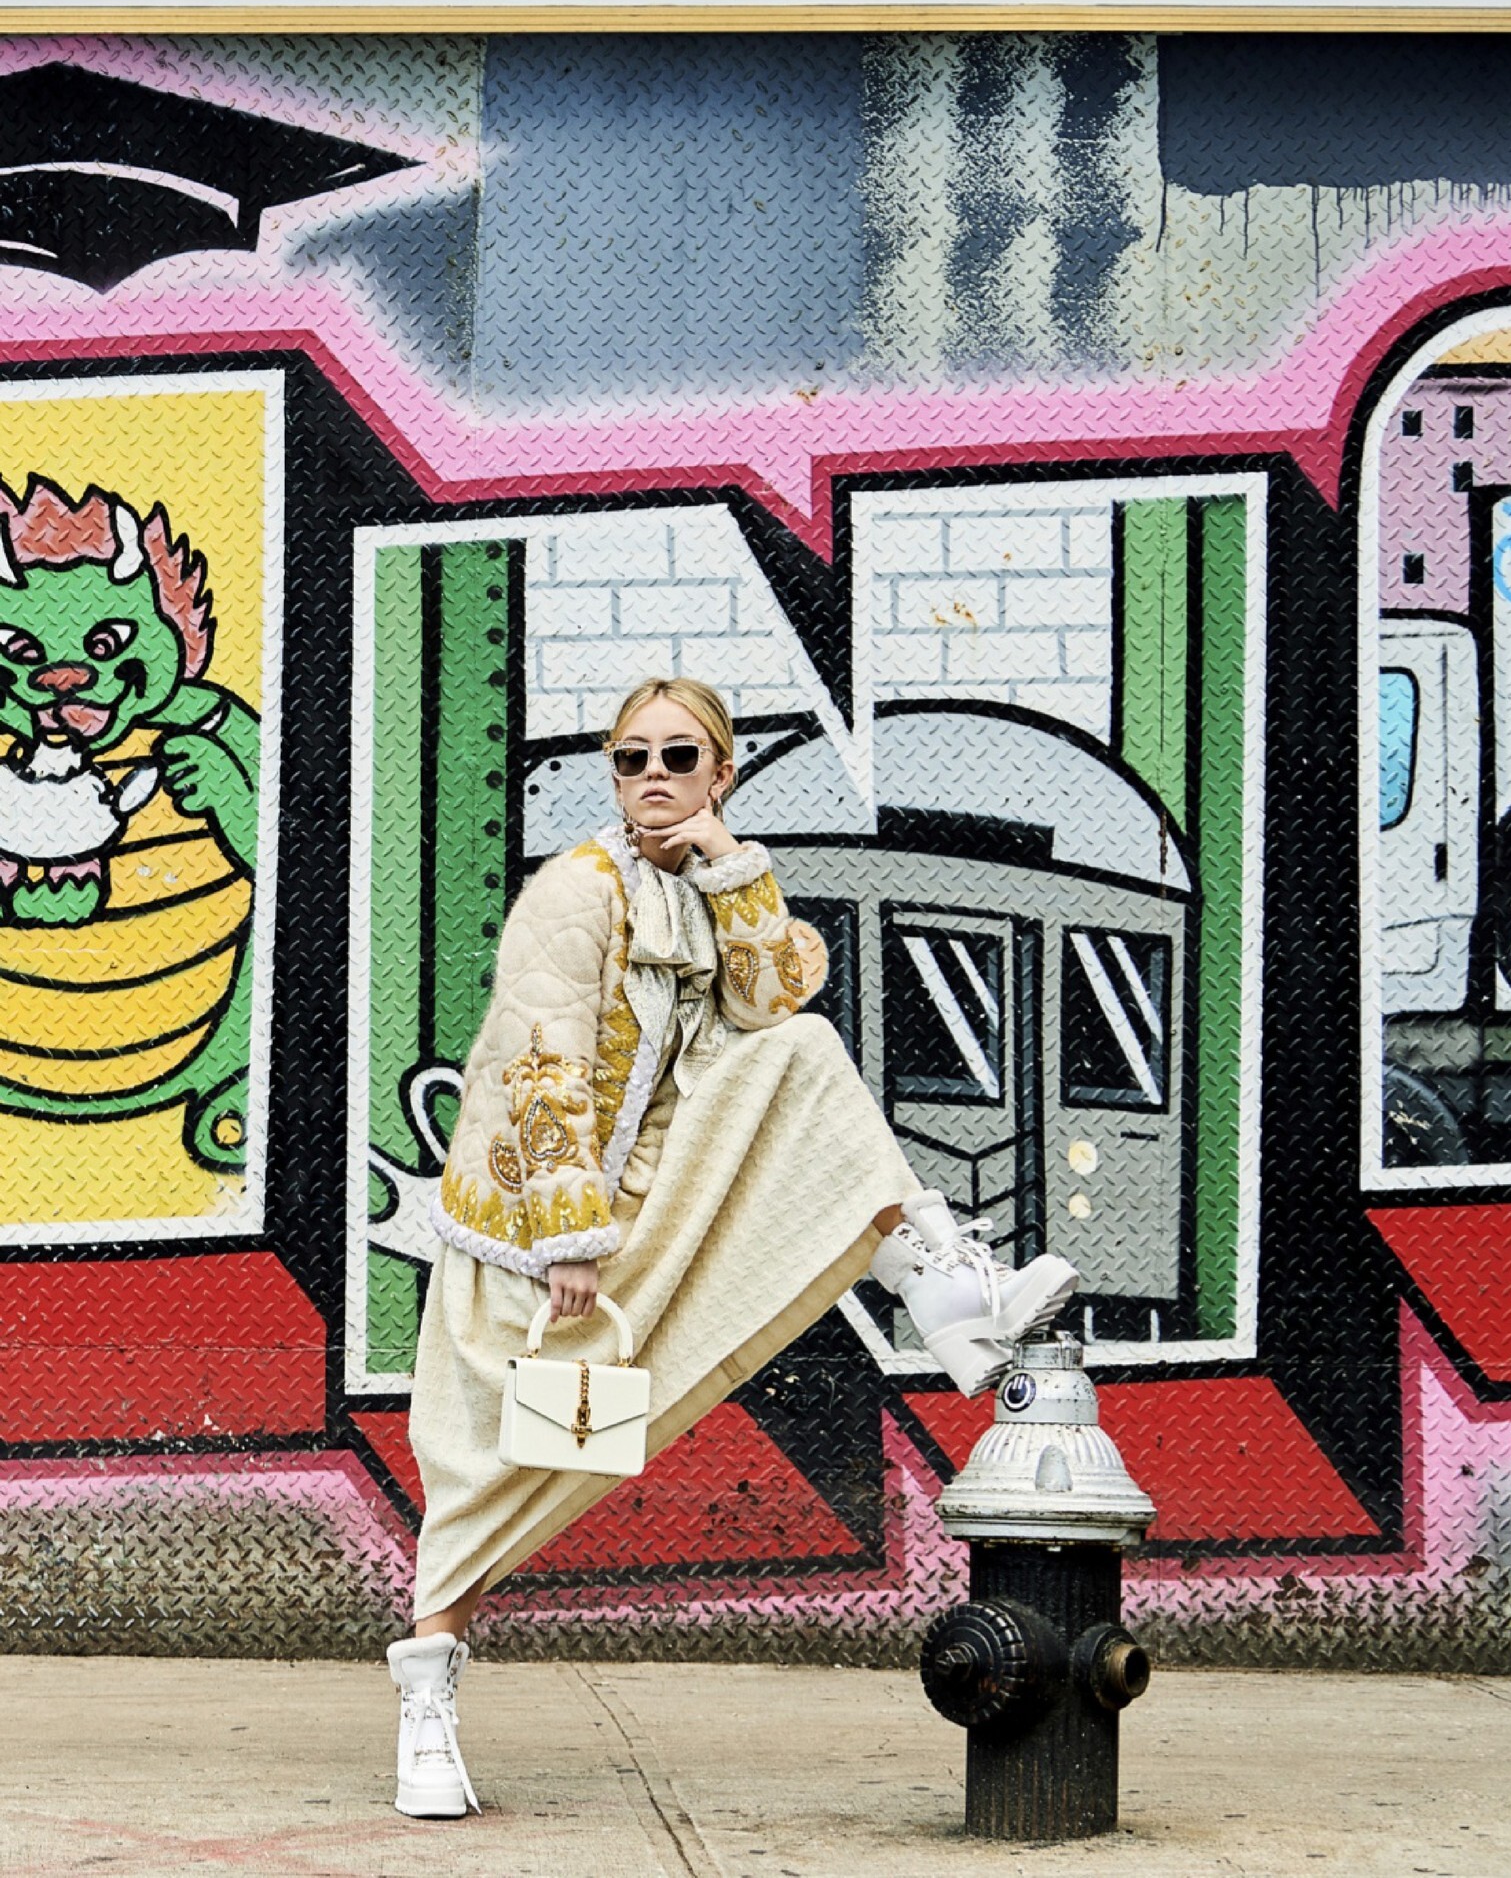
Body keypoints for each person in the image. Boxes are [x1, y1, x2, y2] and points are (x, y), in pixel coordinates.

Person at [386, 676, 1078, 1819]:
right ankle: (426, 1701)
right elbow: (539, 1064)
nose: (651, 776)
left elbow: (772, 1000)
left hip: (652, 1202)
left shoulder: (702, 885)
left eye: (678, 756)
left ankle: (941, 1284)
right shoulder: (577, 890)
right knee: (483, 1475)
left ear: (721, 772)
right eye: (631, 758)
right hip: (534, 1235)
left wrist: (730, 864)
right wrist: (567, 1239)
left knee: (803, 1055)